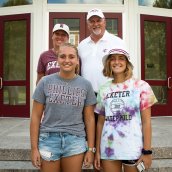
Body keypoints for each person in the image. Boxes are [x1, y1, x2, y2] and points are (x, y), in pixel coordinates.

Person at [30, 43, 96, 172]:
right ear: (57, 59)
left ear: (77, 60)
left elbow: (89, 119)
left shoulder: (86, 85)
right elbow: (35, 117)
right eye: (62, 56)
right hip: (48, 139)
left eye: (71, 57)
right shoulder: (44, 82)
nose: (67, 60)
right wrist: (34, 149)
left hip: (75, 140)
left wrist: (91, 149)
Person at [94, 43, 158, 172]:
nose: (116, 62)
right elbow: (100, 122)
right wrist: (97, 151)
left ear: (127, 62)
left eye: (121, 58)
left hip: (133, 149)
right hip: (109, 148)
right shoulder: (103, 89)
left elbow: (146, 122)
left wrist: (147, 151)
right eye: (113, 58)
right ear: (108, 63)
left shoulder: (141, 86)